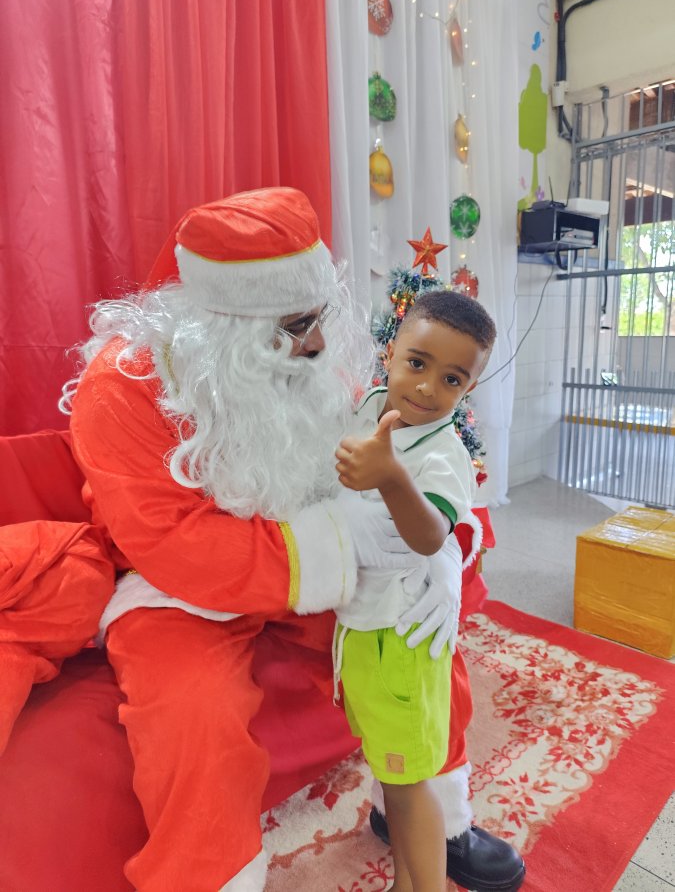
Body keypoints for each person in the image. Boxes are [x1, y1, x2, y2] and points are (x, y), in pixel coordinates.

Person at [2, 186, 524, 891]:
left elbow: (405, 456)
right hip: (174, 588)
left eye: (318, 316)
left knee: (418, 631)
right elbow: (173, 546)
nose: (318, 342)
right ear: (224, 323)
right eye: (297, 324)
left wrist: (445, 547)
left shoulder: (299, 359)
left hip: (312, 549)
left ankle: (435, 818)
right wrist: (346, 545)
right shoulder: (120, 387)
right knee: (192, 718)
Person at [334, 291, 497, 891]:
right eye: (418, 363)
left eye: (452, 379)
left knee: (407, 786)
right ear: (390, 354)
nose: (428, 388)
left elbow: (432, 535)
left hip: (399, 637)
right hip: (363, 627)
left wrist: (392, 478)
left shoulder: (445, 453)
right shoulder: (370, 404)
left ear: (467, 390)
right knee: (392, 774)